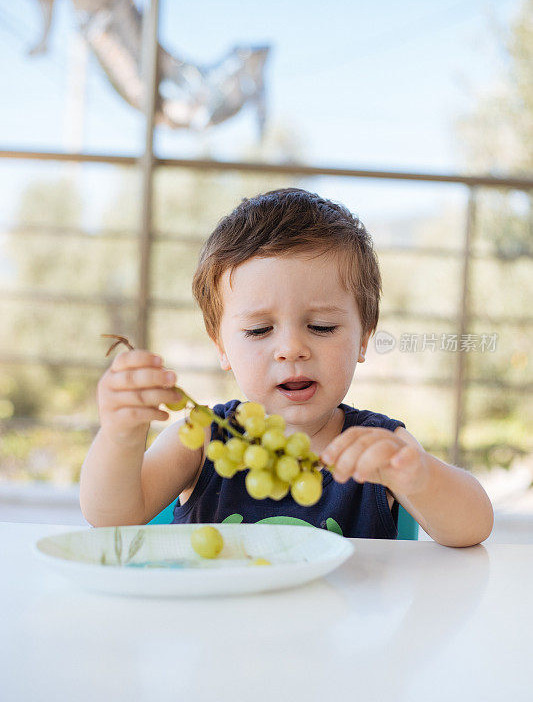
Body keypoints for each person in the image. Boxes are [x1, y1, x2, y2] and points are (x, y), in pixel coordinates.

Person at [80, 188, 494, 546]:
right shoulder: (204, 438)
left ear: (364, 337)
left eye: (321, 326)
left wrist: (418, 477)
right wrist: (121, 436)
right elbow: (111, 517)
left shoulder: (379, 447)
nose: (292, 349)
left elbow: (472, 527)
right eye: (260, 330)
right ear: (221, 346)